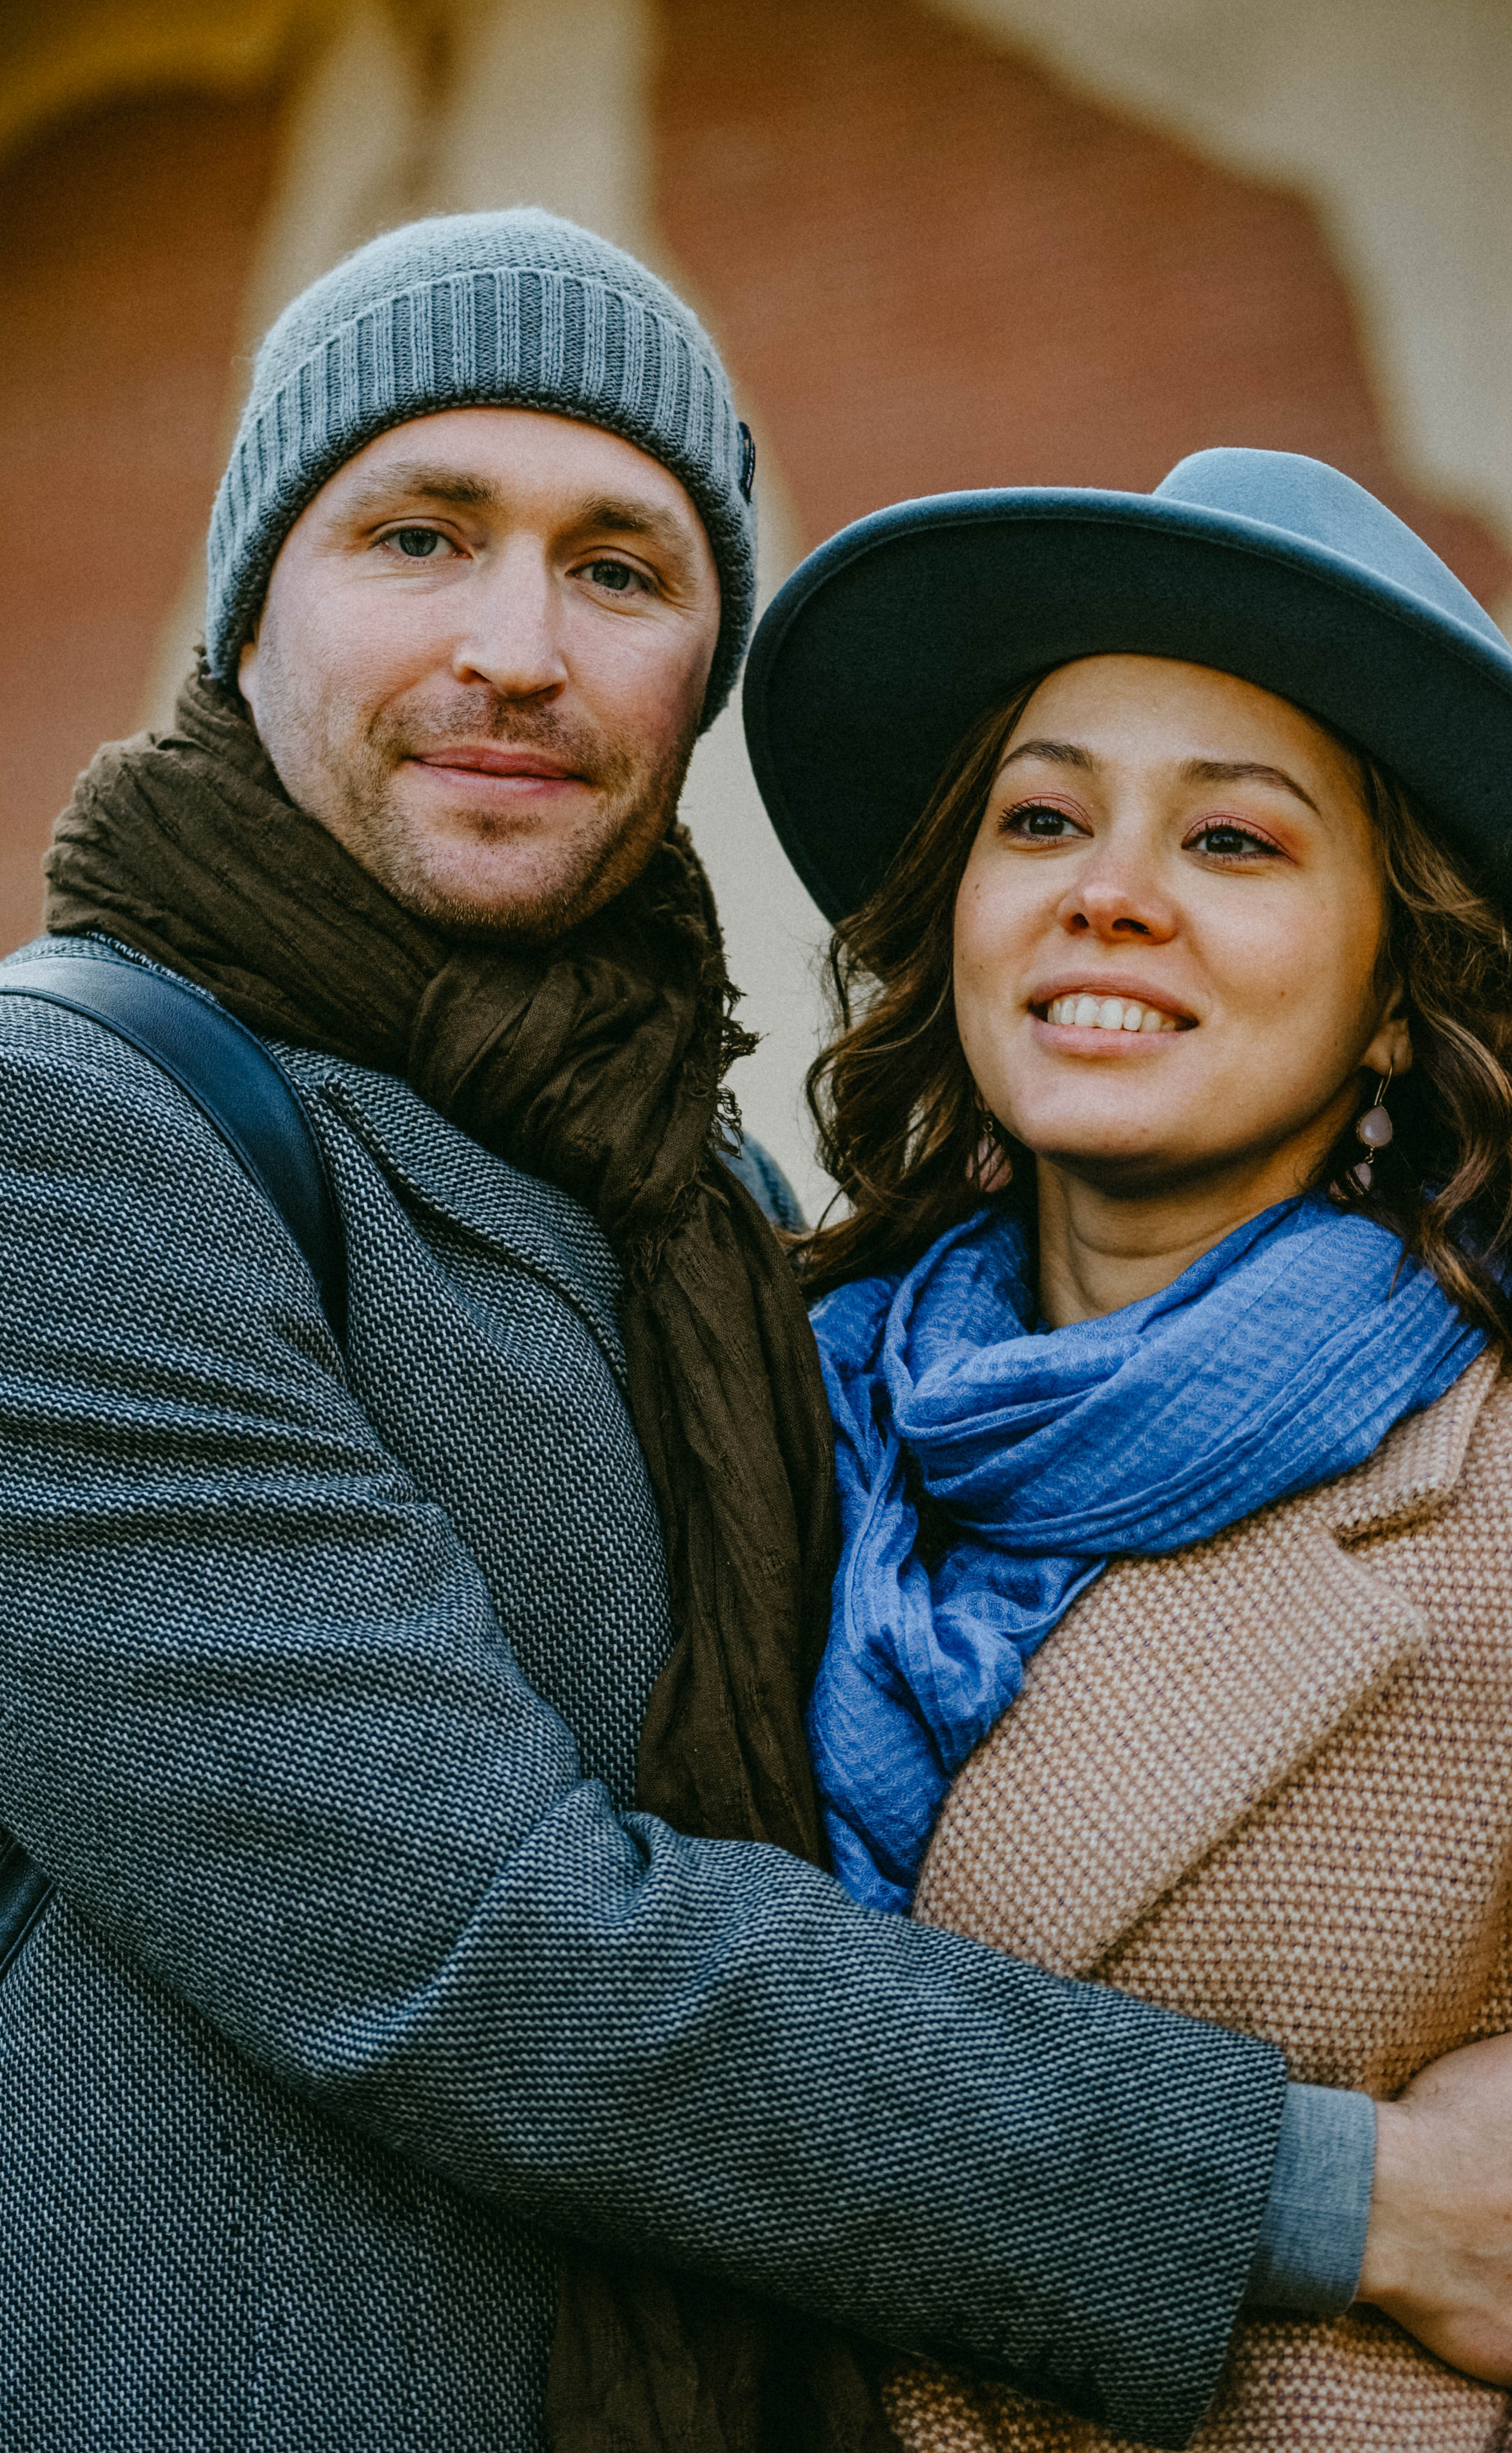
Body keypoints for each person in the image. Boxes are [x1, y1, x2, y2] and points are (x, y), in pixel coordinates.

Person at [0, 202, 1505, 2453]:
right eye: (419, 535)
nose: (519, 648)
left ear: (693, 672)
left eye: (619, 569)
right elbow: (484, 1944)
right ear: (249, 607)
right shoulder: (76, 1135)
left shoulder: (719, 1226)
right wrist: (1341, 2193)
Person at [742, 445, 1512, 2450]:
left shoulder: (1495, 1494)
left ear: (1395, 995)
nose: (1108, 891)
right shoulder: (753, 1407)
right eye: (1045, 817)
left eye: (1234, 840)